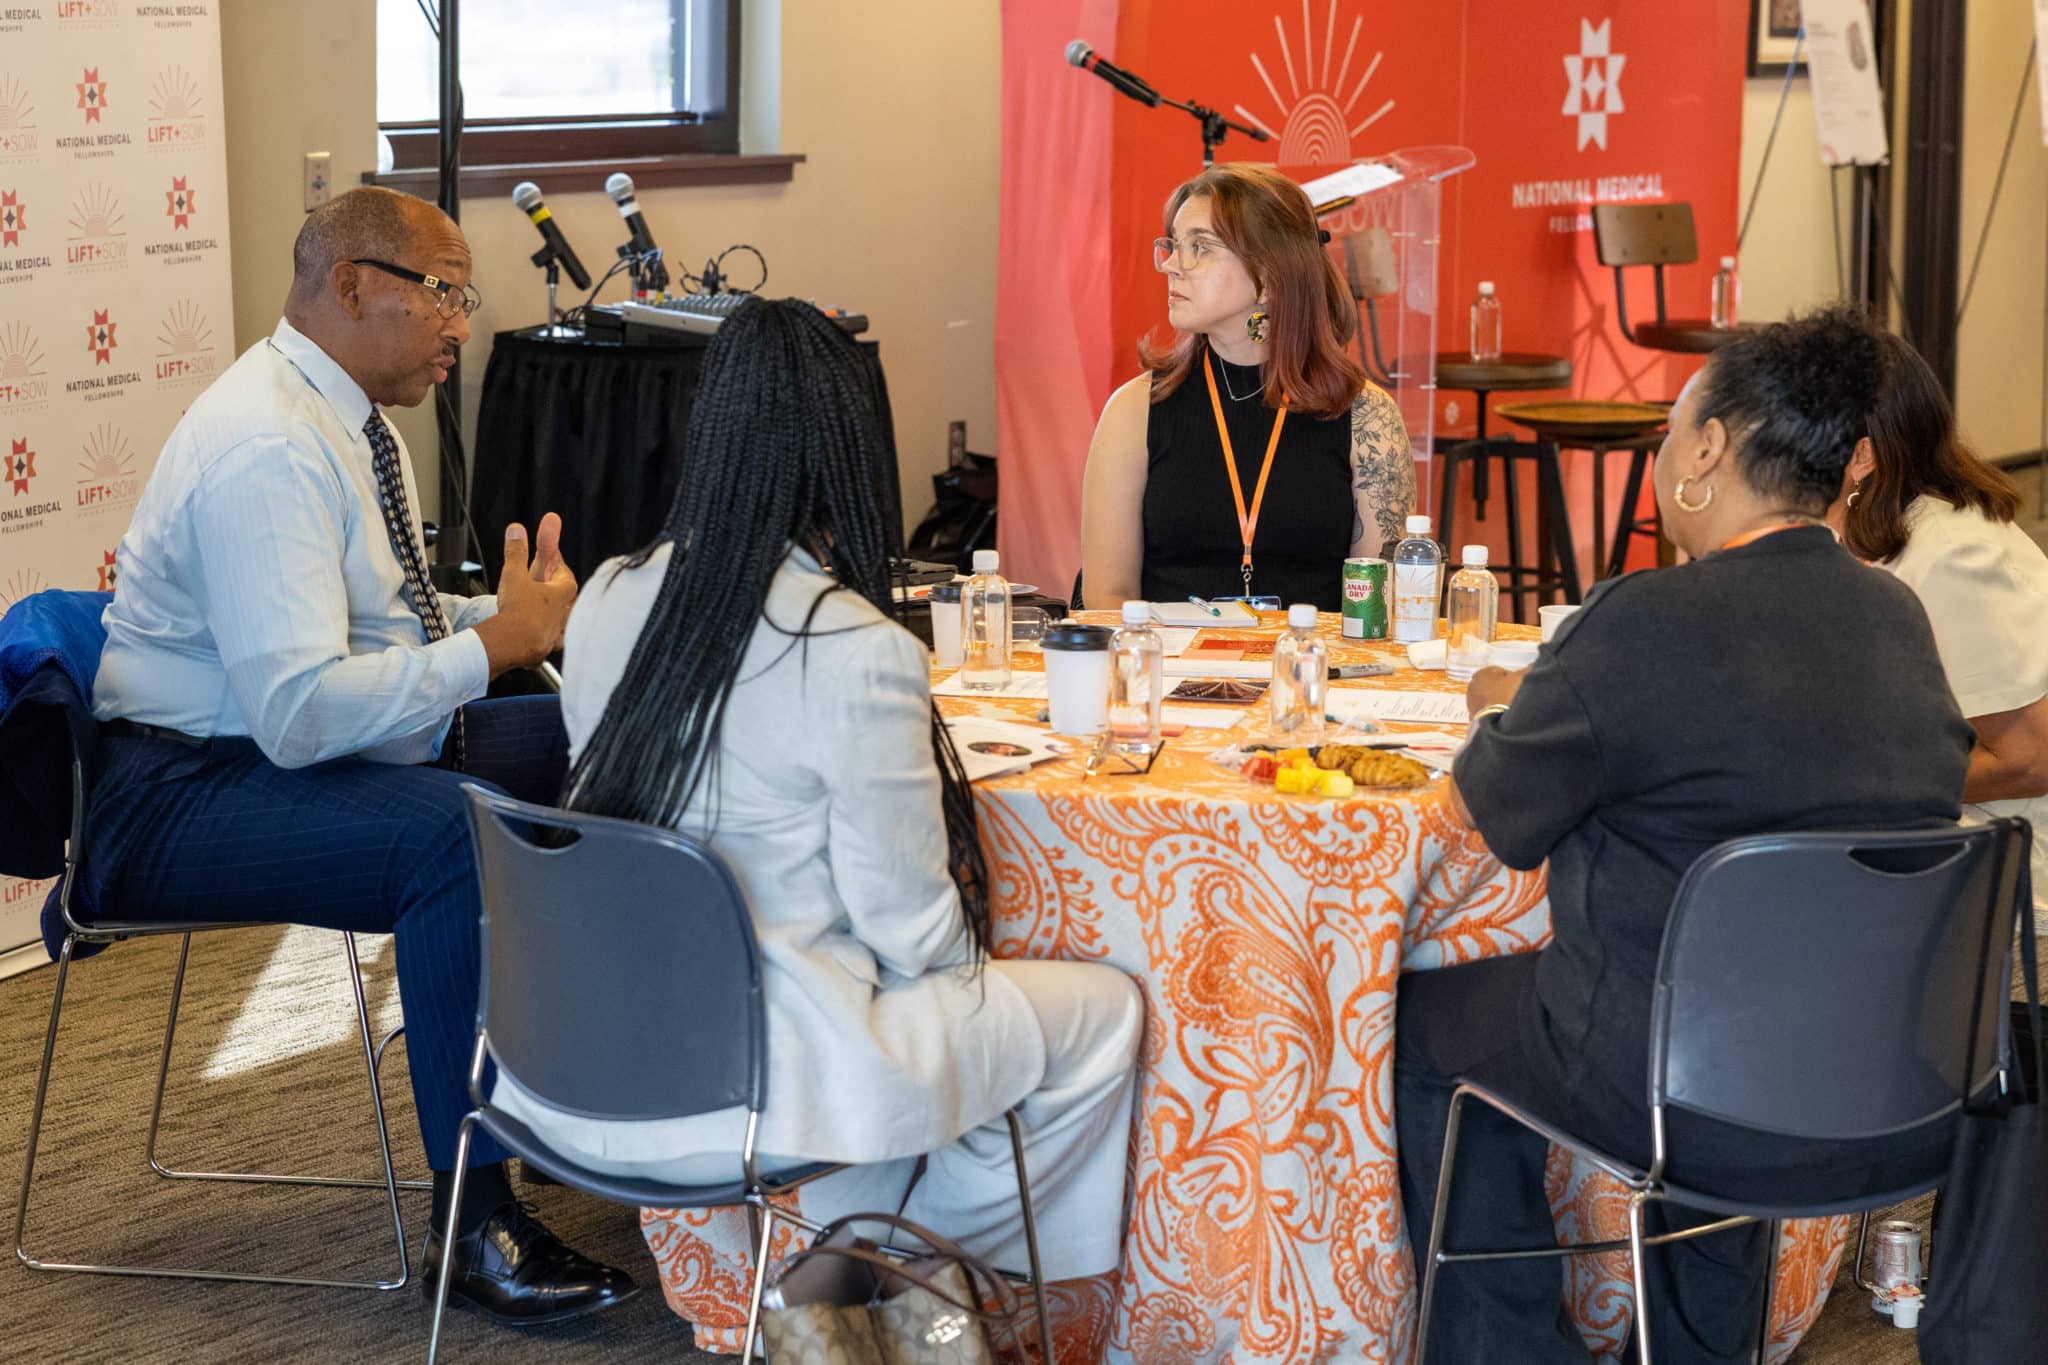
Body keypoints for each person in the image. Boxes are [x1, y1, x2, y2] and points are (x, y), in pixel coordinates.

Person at [491, 298, 1144, 1287]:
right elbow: (906, 926)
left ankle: (860, 1264)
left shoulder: (612, 595)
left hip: (578, 1054)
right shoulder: (854, 648)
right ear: (849, 452)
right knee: (1101, 1009)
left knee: (922, 1020)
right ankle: (869, 1269)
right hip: (761, 1078)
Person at [88, 188, 636, 1324]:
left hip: (262, 755)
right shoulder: (266, 446)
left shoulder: (351, 418)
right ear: (351, 286)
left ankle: (594, 1112)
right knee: (450, 836)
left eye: (463, 295)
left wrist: (516, 617)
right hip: (173, 794)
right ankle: (472, 1225)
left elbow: (386, 630)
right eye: (442, 292)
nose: (462, 324)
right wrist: (495, 647)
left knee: (609, 744)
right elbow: (296, 714)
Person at [1395, 307, 1974, 1364]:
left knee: (1426, 1021)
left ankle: (1501, 1349)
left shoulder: (1643, 621)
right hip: (1881, 1080)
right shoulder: (1895, 619)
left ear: (1706, 448)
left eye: (1670, 431)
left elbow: (1491, 816)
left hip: (1679, 1086)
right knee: (1741, 1000)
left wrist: (1506, 701)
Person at [1079, 162, 1412, 612]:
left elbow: (1380, 609)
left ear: (1269, 279)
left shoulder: (1367, 416)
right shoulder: (1135, 409)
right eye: (1175, 245)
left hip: (1314, 671)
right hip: (1169, 674)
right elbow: (1106, 600)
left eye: (1201, 247)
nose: (1173, 266)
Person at [1828, 330, 2048, 914]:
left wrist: (1858, 789)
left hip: (2005, 877)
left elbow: (2030, 759)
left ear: (1860, 456)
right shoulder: (1882, 529)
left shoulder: (1950, 551)